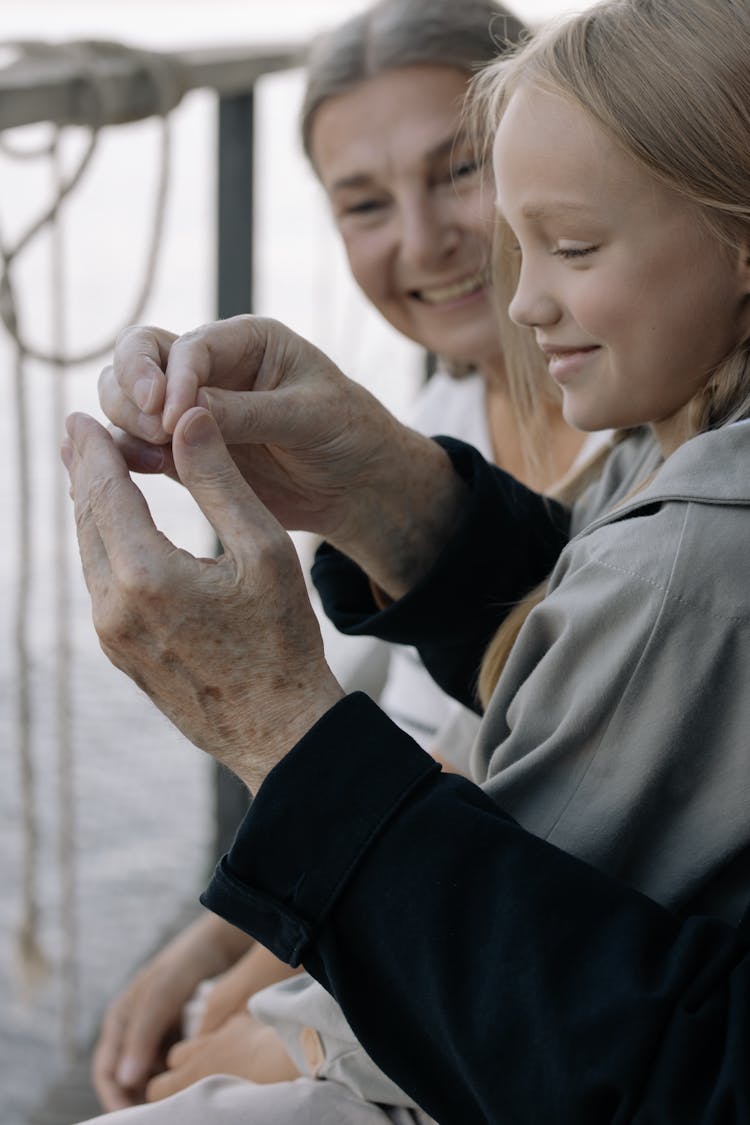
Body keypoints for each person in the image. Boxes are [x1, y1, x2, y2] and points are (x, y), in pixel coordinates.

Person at [62, 0, 750, 1120]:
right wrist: (393, 499)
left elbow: (558, 1009)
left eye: (569, 246)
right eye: (365, 201)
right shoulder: (666, 432)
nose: (520, 295)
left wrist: (273, 724)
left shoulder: (691, 537)